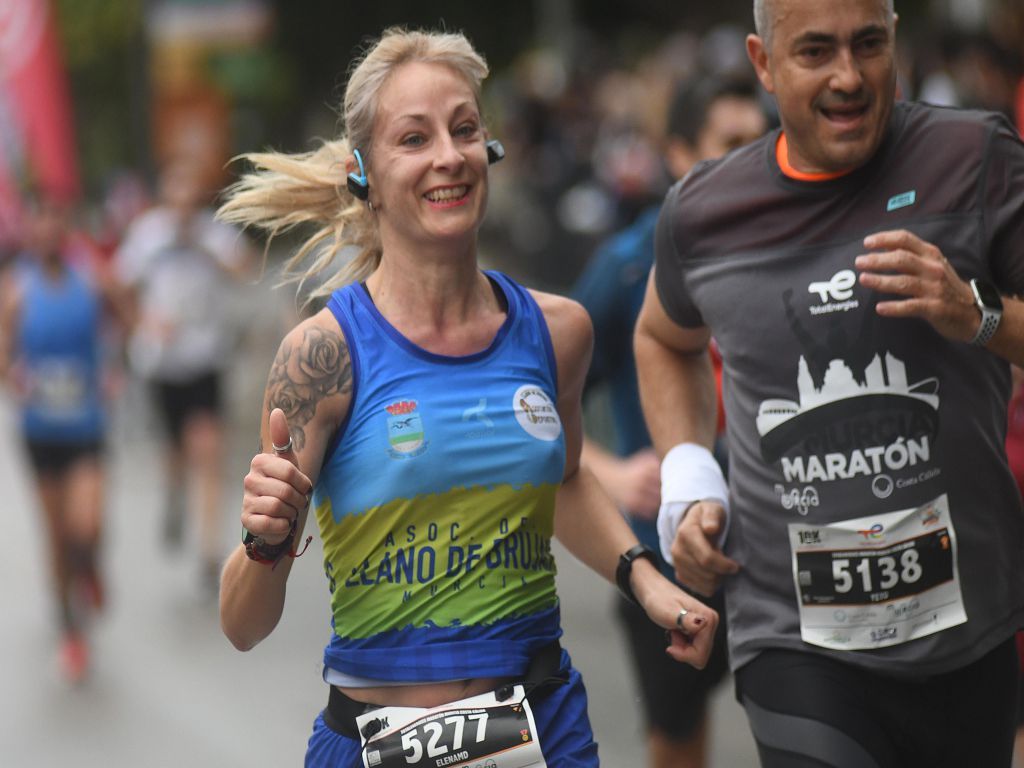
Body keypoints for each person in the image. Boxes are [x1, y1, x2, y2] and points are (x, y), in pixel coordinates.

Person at [215, 27, 718, 767]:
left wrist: (645, 579)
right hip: (375, 737)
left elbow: (566, 478)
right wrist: (264, 538)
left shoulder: (558, 331)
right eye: (413, 139)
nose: (448, 156)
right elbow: (242, 624)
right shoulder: (323, 357)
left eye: (464, 129)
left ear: (490, 149)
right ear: (365, 173)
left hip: (542, 727)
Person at [634, 0, 1024, 765]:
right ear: (763, 63)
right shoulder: (705, 212)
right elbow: (661, 336)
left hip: (967, 629)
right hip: (793, 636)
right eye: (815, 52)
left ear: (894, 43)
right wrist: (688, 470)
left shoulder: (972, 157)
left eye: (868, 45)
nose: (849, 77)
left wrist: (973, 313)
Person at [571, 75, 766, 768]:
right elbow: (535, 405)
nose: (751, 158)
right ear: (680, 152)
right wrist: (613, 470)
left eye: (761, 140)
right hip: (670, 560)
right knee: (679, 747)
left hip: (780, 546)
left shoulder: (793, 252)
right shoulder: (629, 267)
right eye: (729, 143)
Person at [0, 198, 127, 681]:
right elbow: (2, 352)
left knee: (87, 525)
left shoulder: (92, 277)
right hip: (40, 432)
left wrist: (116, 367)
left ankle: (91, 565)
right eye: (39, 222)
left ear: (66, 226)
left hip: (86, 426)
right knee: (55, 537)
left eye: (56, 219)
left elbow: (127, 319)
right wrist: (12, 374)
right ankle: (72, 632)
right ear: (29, 232)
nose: (48, 230)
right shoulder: (15, 289)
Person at [114, 159, 252, 591]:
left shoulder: (213, 234)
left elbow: (245, 268)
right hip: (161, 364)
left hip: (204, 361)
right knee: (175, 453)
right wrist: (140, 323)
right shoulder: (148, 235)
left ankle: (210, 551)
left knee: (207, 450)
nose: (183, 207)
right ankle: (174, 495)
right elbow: (117, 283)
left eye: (190, 197)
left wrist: (207, 252)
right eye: (176, 195)